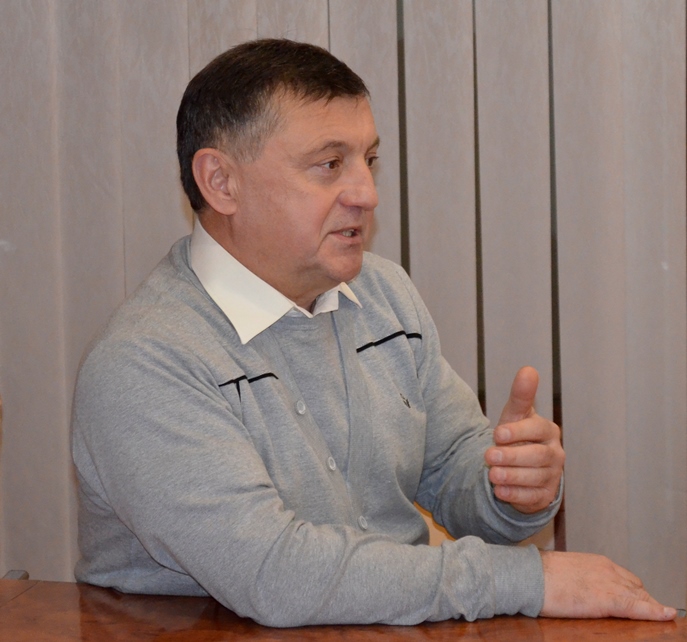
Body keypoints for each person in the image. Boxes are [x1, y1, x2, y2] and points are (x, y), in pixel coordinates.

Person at [71, 38, 676, 627]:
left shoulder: (383, 294)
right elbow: (276, 576)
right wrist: (527, 579)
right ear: (221, 182)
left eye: (369, 160)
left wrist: (512, 485)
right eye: (330, 164)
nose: (366, 193)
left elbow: (456, 474)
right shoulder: (143, 362)